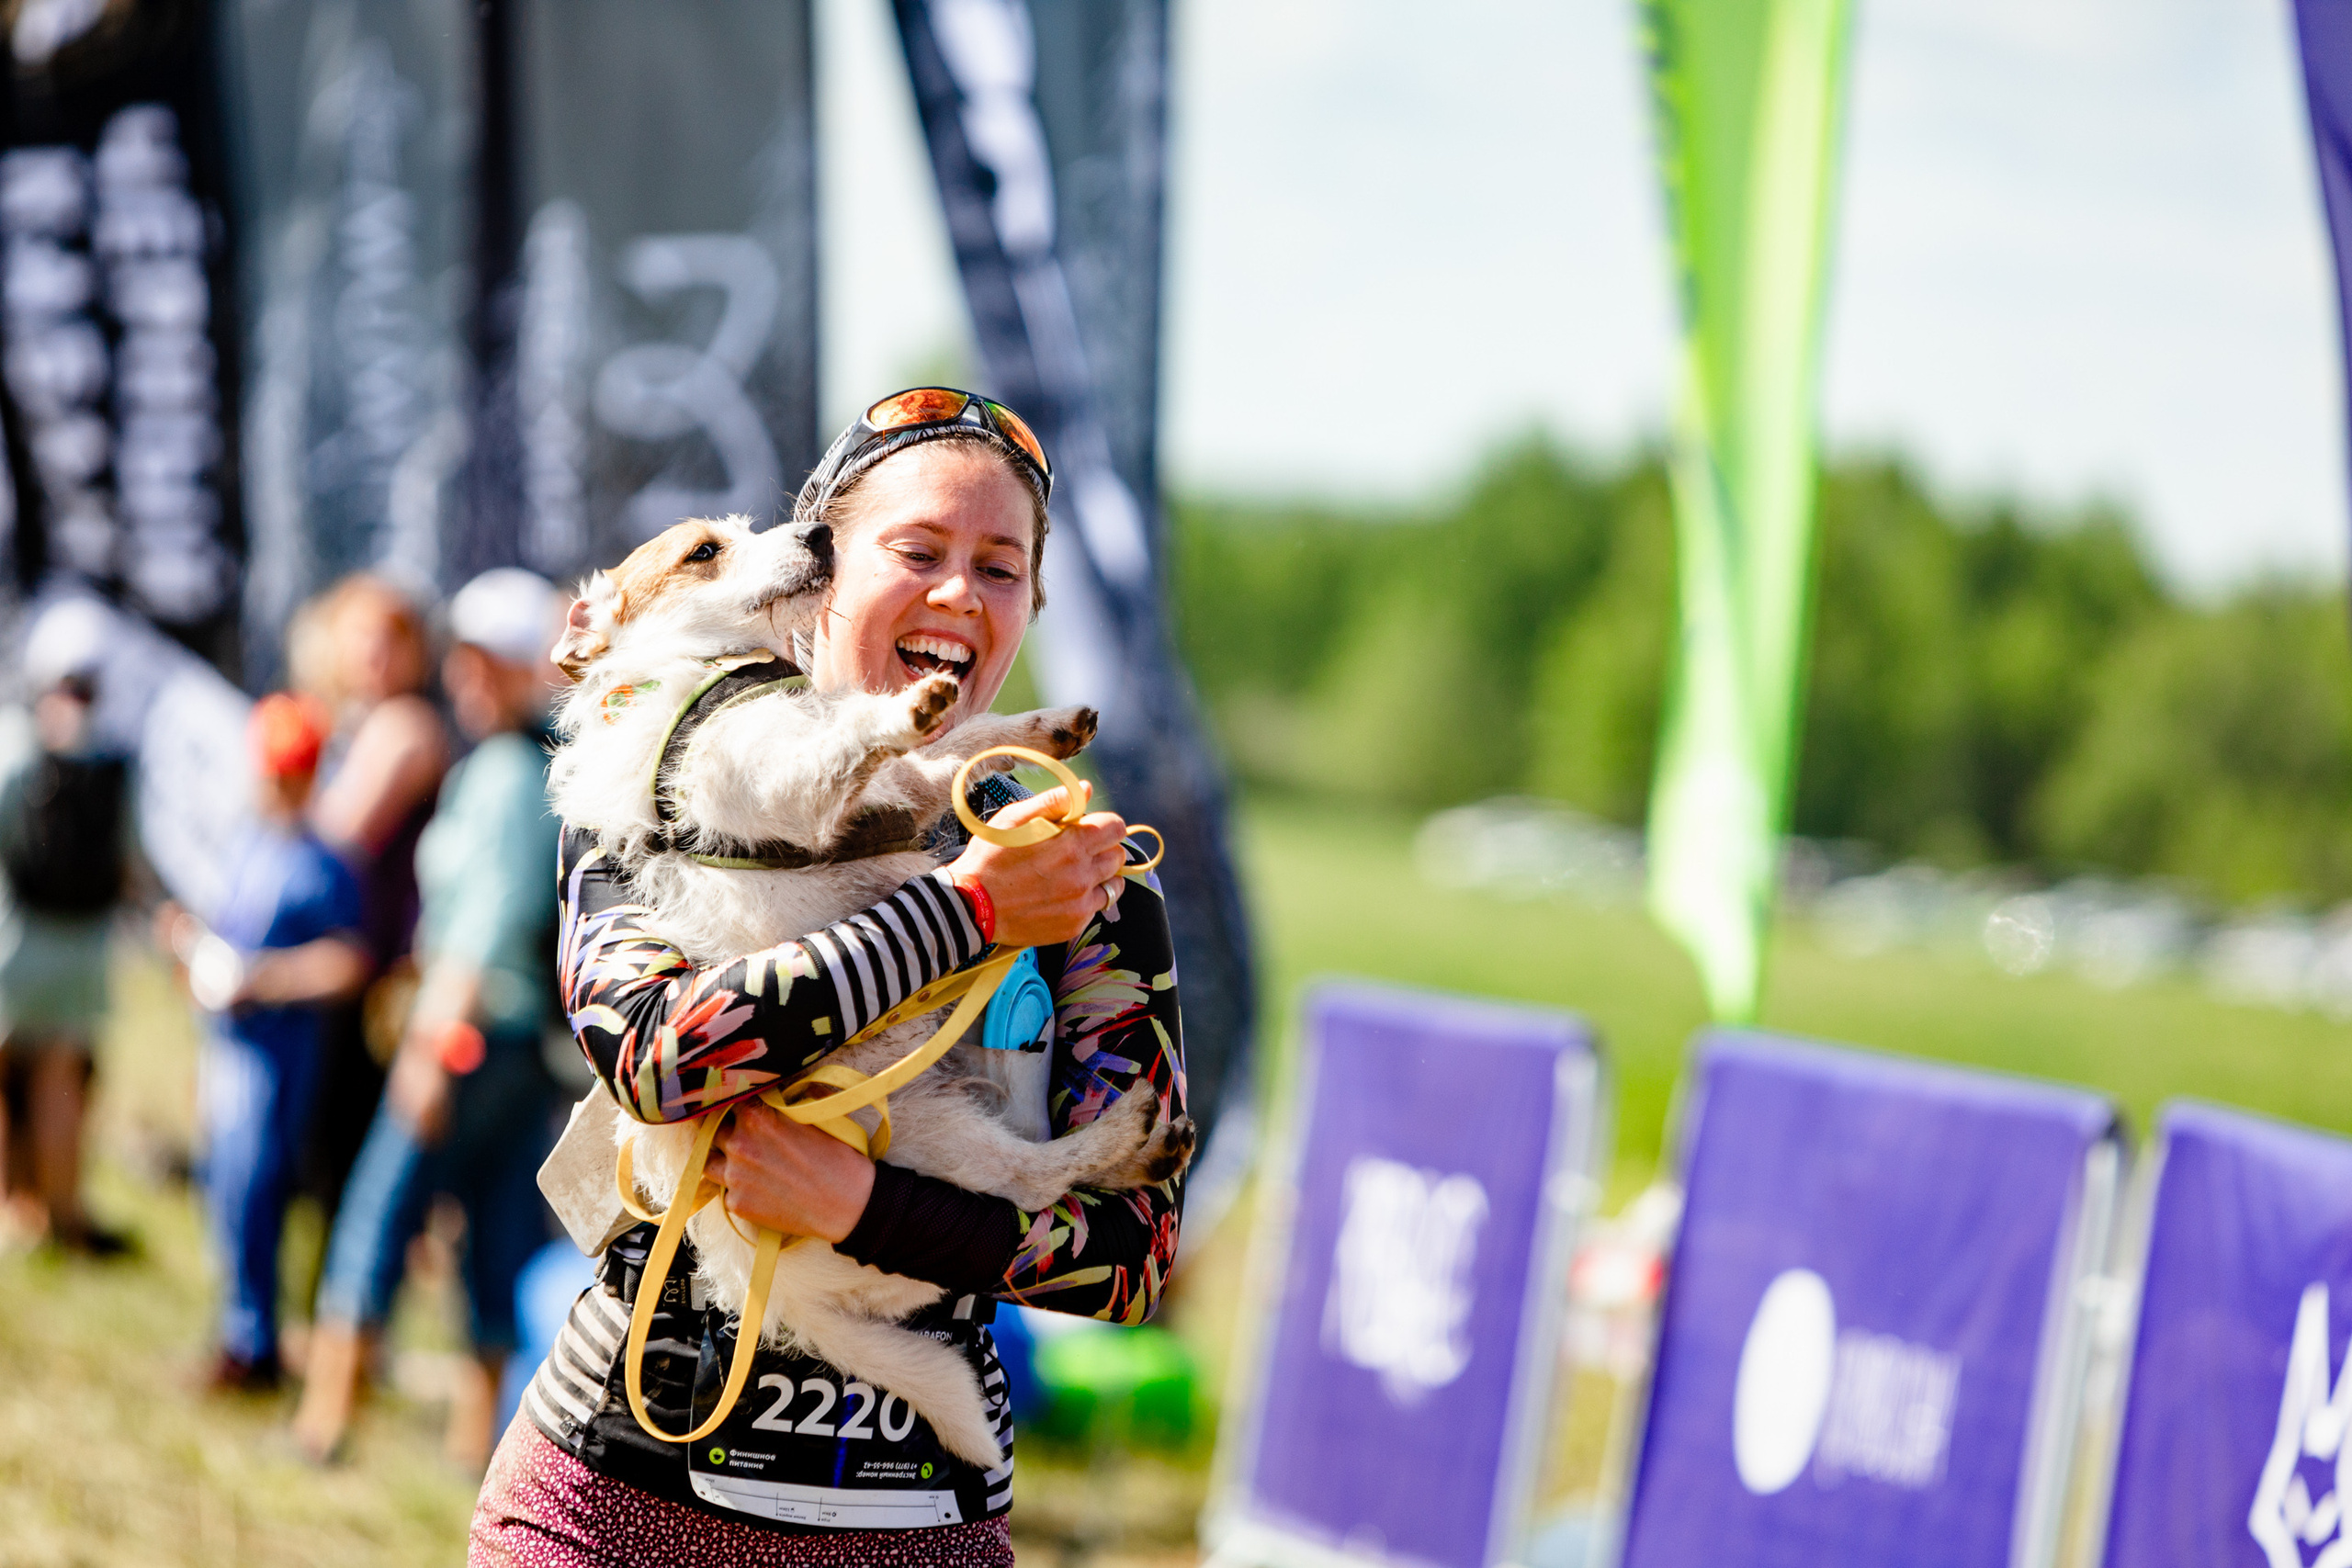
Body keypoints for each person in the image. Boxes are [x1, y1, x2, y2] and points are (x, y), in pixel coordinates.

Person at [470, 389, 1187, 1567]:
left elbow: (1131, 1253)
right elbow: (657, 1057)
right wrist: (965, 915)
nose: (957, 591)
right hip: (611, 1510)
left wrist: (862, 1209)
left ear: (1032, 605)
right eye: (915, 552)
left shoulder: (1080, 867)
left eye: (999, 568)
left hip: (915, 1529)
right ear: (819, 572)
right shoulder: (647, 770)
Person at [293, 570, 570, 1470]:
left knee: (380, 1211)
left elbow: (481, 926)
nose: (461, 678)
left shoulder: (496, 772)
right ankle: (475, 1445)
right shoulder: (553, 771)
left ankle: (322, 1427)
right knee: (496, 1236)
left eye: (478, 662)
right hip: (528, 1048)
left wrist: (426, 1047)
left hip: (465, 1034)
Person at [165, 694, 370, 1391]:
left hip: (281, 1054)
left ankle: (252, 1340)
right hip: (228, 1043)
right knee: (221, 1184)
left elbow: (348, 961)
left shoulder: (326, 863)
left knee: (256, 1188)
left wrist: (270, 979)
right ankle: (234, 1324)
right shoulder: (248, 842)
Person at [297, 576, 450, 1254]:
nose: (374, 653)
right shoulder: (346, 724)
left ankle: (345, 1333)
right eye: (359, 636)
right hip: (330, 970)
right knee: (320, 1151)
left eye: (391, 637)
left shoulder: (405, 726)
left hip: (374, 978)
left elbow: (337, 833)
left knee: (351, 1158)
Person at [0, 601, 135, 1255]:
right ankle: (61, 1212)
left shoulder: (12, 748)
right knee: (60, 1083)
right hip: (82, 952)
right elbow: (128, 860)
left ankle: (11, 1210)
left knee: (5, 1080)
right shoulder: (114, 761)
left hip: (15, 945)